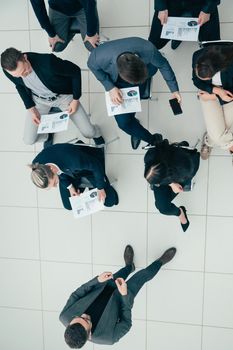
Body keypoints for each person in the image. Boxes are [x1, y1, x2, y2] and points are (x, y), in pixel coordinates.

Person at [59, 244, 176, 347]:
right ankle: (160, 262)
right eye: (86, 319)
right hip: (122, 298)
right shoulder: (109, 338)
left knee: (121, 273)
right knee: (143, 275)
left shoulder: (64, 316)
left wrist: (97, 280)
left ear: (70, 323)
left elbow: (77, 294)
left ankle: (129, 266)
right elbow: (126, 323)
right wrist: (125, 295)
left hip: (104, 287)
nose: (84, 315)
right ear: (89, 334)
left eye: (78, 316)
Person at [87, 37, 181, 149]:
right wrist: (110, 87)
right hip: (117, 83)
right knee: (124, 124)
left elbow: (163, 64)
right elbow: (91, 66)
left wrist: (174, 90)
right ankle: (149, 138)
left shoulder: (148, 49)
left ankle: (135, 126)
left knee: (133, 104)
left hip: (144, 71)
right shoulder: (98, 56)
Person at [1, 48, 103, 146]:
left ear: (25, 58)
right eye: (18, 76)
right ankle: (47, 135)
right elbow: (19, 86)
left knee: (89, 133)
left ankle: (97, 132)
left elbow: (75, 71)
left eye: (24, 71)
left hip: (62, 96)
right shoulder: (10, 71)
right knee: (28, 140)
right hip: (39, 100)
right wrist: (31, 108)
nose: (23, 76)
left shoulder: (48, 62)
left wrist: (75, 99)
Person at [29, 143, 118, 210]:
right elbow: (60, 174)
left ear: (52, 169)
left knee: (109, 201)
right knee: (68, 205)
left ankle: (102, 186)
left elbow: (96, 165)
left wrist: (100, 188)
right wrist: (71, 188)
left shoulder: (74, 160)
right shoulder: (37, 166)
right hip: (67, 173)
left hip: (87, 169)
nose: (55, 186)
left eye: (54, 183)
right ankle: (87, 186)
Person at [144, 139, 200, 232]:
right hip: (167, 178)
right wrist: (171, 183)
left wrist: (173, 183)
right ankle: (180, 213)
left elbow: (193, 164)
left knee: (161, 205)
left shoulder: (184, 168)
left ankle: (181, 214)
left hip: (179, 174)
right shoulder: (149, 158)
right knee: (162, 207)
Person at [192, 43, 233, 159]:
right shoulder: (197, 56)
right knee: (224, 130)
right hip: (209, 91)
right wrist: (215, 91)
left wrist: (214, 96)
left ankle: (210, 140)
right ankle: (219, 141)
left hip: (229, 92)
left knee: (219, 134)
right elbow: (196, 81)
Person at [29, 0, 99, 52]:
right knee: (57, 47)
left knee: (92, 47)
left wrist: (91, 33)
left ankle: (72, 27)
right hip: (57, 9)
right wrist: (51, 34)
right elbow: (38, 7)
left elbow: (90, 3)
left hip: (82, 7)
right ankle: (71, 32)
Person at [149, 0, 221, 50]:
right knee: (154, 42)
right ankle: (177, 35)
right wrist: (161, 7)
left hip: (202, 3)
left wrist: (207, 10)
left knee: (212, 45)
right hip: (171, 2)